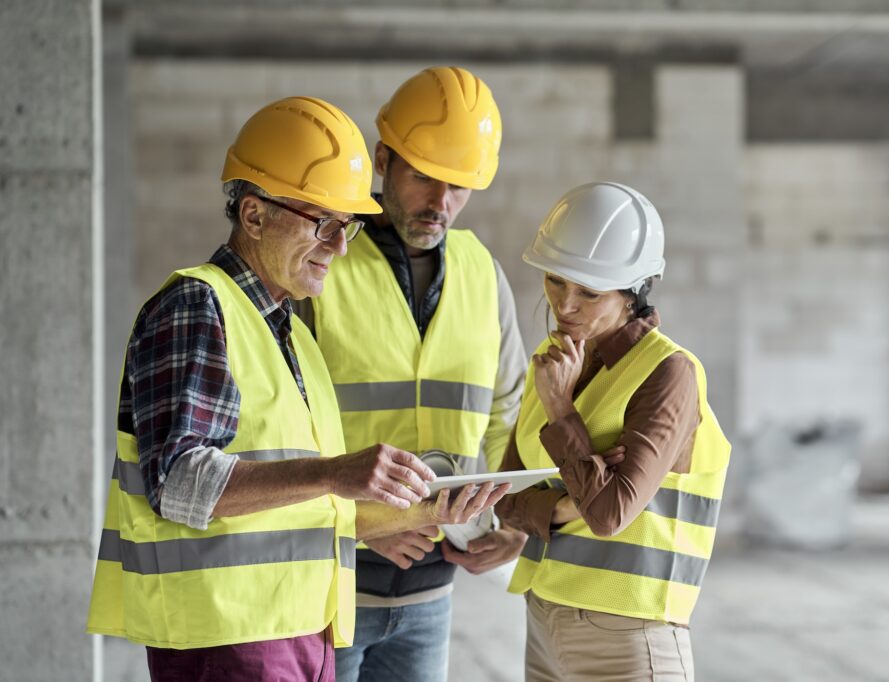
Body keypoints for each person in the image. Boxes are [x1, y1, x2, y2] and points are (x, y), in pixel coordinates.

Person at [85, 96, 507, 682]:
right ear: (253, 215)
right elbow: (178, 482)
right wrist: (335, 472)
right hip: (229, 637)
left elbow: (299, 512)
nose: (340, 246)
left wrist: (437, 510)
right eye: (323, 224)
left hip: (302, 629)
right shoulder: (197, 306)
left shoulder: (293, 335)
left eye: (349, 227)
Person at [294, 66, 528, 682]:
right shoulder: (320, 265)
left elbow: (513, 414)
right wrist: (363, 525)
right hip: (330, 583)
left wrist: (510, 524)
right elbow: (278, 428)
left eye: (458, 186)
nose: (440, 203)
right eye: (425, 176)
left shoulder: (483, 274)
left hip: (433, 594)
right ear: (381, 160)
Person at [495, 182, 732, 681]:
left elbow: (607, 514)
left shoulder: (669, 374)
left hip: (630, 634)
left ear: (634, 292)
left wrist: (562, 410)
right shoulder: (555, 363)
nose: (565, 305)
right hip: (543, 619)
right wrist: (564, 504)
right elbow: (505, 498)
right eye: (556, 281)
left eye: (590, 292)